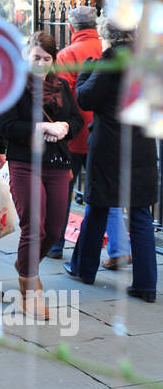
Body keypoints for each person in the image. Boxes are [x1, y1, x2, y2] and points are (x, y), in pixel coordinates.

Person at [65, 17, 159, 302]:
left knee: (98, 208)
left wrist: (84, 73)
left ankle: (84, 268)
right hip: (142, 147)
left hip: (110, 149)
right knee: (141, 213)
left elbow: (85, 99)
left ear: (109, 37)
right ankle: (146, 284)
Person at [0, 31, 84, 317]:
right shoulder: (13, 86)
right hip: (25, 162)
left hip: (57, 162)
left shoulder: (59, 85)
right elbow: (6, 127)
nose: (42, 64)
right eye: (36, 58)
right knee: (34, 226)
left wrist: (64, 127)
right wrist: (41, 128)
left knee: (55, 228)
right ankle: (28, 290)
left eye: (47, 59)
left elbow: (77, 118)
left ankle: (25, 265)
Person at [47, 5, 129, 267]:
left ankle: (56, 244)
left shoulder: (68, 55)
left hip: (74, 136)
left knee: (63, 191)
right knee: (110, 193)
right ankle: (118, 250)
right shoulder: (109, 50)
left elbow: (60, 100)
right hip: (106, 134)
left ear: (71, 27)